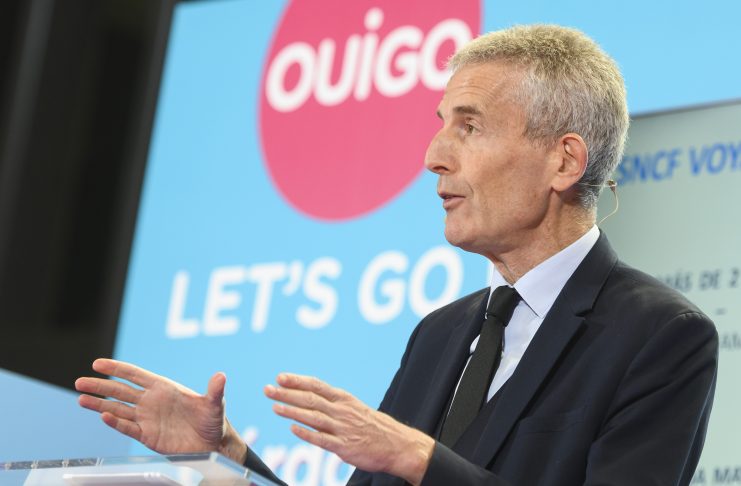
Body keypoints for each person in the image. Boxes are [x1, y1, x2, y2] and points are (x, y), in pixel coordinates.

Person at [76, 24, 718, 485]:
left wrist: (419, 458)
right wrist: (227, 458)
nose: (434, 156)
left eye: (469, 126)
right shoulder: (440, 334)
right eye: (440, 125)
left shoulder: (660, 335)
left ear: (564, 161)